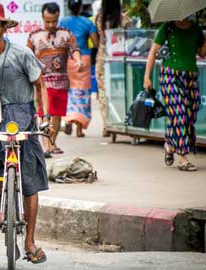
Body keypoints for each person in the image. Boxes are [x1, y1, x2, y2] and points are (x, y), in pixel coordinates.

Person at [0, 2, 50, 264]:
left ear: (4, 27)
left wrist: (45, 117)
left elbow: (40, 84)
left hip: (24, 117)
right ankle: (0, 207)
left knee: (29, 179)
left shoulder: (21, 53)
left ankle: (29, 241)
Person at [144, 18, 206, 171]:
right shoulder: (167, 27)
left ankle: (170, 144)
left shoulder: (195, 29)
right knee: (179, 114)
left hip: (191, 76)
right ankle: (183, 158)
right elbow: (153, 52)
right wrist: (146, 77)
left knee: (190, 116)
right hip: (170, 75)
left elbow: (202, 53)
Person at [27, 2, 82, 156]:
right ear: (42, 18)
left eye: (54, 21)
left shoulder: (66, 34)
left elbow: (75, 49)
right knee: (45, 113)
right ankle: (45, 145)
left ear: (58, 17)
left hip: (62, 82)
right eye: (47, 21)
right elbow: (27, 57)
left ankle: (52, 142)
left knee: (57, 115)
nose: (51, 24)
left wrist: (78, 60)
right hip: (42, 83)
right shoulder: (34, 36)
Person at [60, 0, 99, 138]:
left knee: (69, 90)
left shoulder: (63, 22)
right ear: (81, 7)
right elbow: (96, 43)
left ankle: (68, 120)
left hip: (68, 59)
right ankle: (79, 128)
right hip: (83, 59)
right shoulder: (87, 22)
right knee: (82, 93)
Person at [95, 0, 132, 137]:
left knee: (104, 93)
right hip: (120, 59)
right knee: (123, 91)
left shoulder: (100, 18)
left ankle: (107, 124)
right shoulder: (124, 19)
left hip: (103, 57)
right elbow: (131, 38)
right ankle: (122, 121)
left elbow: (99, 38)